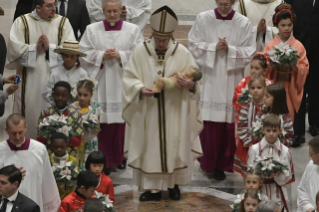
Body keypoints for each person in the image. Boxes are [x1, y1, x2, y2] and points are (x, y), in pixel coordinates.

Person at [123, 5, 203, 201]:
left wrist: (190, 84)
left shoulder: (182, 52)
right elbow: (129, 78)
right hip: (148, 111)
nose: (160, 43)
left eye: (164, 40)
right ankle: (152, 189)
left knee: (175, 146)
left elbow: (195, 80)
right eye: (158, 39)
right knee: (150, 148)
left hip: (174, 110)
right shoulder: (140, 51)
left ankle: (174, 185)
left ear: (171, 37)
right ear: (152, 34)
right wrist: (139, 89)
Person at [188, 0, 256, 180]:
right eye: (220, 3)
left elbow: (250, 51)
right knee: (209, 124)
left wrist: (230, 50)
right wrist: (213, 48)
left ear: (234, 2)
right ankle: (207, 163)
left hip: (231, 80)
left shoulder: (243, 22)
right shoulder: (203, 19)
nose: (223, 7)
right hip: (210, 78)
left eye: (227, 4)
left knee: (228, 124)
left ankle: (223, 164)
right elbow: (192, 44)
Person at [80, 0, 143, 170]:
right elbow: (83, 52)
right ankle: (103, 158)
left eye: (115, 11)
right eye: (108, 11)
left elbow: (140, 54)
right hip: (101, 82)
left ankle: (121, 157)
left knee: (121, 122)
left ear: (121, 10)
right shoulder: (92, 29)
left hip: (122, 81)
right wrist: (101, 55)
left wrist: (120, 55)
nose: (112, 14)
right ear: (103, 11)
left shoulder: (132, 29)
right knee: (103, 123)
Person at [6, 0, 76, 139]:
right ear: (38, 7)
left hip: (56, 82)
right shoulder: (22, 22)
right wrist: (34, 49)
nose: (54, 9)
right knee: (30, 117)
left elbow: (72, 52)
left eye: (54, 4)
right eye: (49, 6)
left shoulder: (63, 23)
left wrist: (50, 48)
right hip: (29, 83)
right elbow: (13, 52)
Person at [262, 3, 309, 147]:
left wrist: (294, 65)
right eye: (283, 25)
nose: (287, 28)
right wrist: (272, 65)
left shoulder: (298, 46)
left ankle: (288, 141)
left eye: (289, 25)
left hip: (291, 85)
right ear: (277, 26)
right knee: (274, 113)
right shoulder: (270, 45)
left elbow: (304, 67)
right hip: (275, 84)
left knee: (289, 115)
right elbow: (264, 67)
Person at [0, 114, 61, 212]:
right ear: (6, 130)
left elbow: (47, 180)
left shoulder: (39, 150)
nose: (17, 137)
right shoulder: (1, 150)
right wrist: (7, 174)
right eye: (13, 133)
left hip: (32, 203)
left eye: (21, 132)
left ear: (26, 128)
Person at [285, 0, 319, 138]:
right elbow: (286, 15)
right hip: (299, 47)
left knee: (316, 87)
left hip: (317, 47)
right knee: (298, 87)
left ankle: (315, 123)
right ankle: (297, 130)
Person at [247, 114, 294, 210]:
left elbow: (288, 176)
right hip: (259, 192)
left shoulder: (285, 151)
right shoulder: (255, 149)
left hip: (277, 193)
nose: (271, 134)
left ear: (280, 131)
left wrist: (277, 175)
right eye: (268, 130)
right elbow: (250, 171)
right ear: (263, 130)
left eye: (274, 131)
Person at [37, 81, 84, 163]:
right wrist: (51, 131)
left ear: (69, 96)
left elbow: (78, 142)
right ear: (53, 95)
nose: (60, 98)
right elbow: (39, 139)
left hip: (69, 157)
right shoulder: (45, 113)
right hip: (49, 156)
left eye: (64, 95)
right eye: (57, 95)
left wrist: (65, 134)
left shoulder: (76, 114)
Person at [235, 74, 266, 177]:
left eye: (259, 87)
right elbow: (241, 126)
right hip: (248, 145)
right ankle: (249, 188)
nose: (255, 90)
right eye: (253, 88)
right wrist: (248, 142)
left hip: (263, 145)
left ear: (264, 89)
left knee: (262, 170)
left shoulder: (267, 107)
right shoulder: (246, 105)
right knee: (248, 172)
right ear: (249, 89)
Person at [13, 0, 90, 41]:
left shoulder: (80, 3)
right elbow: (36, 24)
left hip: (69, 55)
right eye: (50, 6)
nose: (53, 8)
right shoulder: (43, 2)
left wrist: (74, 46)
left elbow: (86, 31)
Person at [71, 79, 102, 170]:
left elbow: (98, 128)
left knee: (90, 166)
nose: (82, 98)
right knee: (77, 167)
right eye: (80, 94)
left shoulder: (95, 107)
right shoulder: (72, 107)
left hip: (91, 142)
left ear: (91, 95)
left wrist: (87, 125)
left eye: (85, 95)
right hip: (77, 142)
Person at [49, 132, 79, 199]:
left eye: (62, 147)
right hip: (52, 195)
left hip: (69, 196)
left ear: (67, 146)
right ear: (51, 146)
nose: (59, 149)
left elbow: (77, 179)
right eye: (56, 147)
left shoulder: (73, 160)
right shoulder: (48, 160)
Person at [297, 136, 319, 212]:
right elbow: (302, 189)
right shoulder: (311, 165)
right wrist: (308, 208)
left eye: (311, 154)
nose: (310, 157)